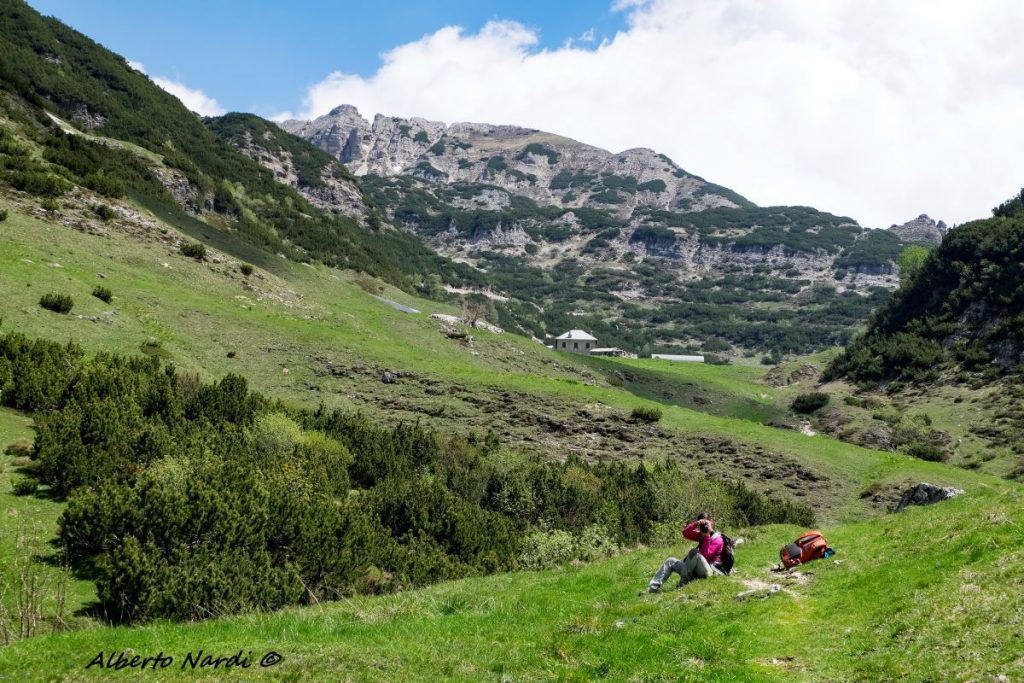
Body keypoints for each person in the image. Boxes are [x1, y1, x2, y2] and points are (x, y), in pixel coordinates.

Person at [642, 513, 725, 593]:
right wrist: (696, 524)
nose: (704, 526)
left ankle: (683, 582)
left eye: (706, 524)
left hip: (707, 570)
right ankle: (653, 588)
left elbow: (705, 556)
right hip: (694, 570)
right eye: (702, 525)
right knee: (670, 561)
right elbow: (685, 533)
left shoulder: (718, 539)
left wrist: (707, 535)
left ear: (712, 522)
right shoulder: (701, 535)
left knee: (694, 552)